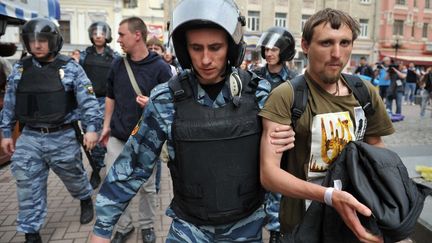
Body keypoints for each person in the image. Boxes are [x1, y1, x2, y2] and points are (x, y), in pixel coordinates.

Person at [90, 0, 294, 242]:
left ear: (231, 47)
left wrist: (277, 226)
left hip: (246, 227)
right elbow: (132, 166)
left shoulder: (260, 95)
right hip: (189, 228)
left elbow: (277, 169)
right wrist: (102, 229)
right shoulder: (166, 99)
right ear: (185, 50)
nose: (206, 59)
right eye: (196, 48)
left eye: (215, 47)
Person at [259, 8, 395, 243]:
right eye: (326, 43)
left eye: (345, 43)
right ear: (305, 45)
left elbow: (377, 148)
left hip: (354, 222)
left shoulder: (364, 93)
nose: (337, 53)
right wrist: (330, 196)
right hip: (301, 227)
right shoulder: (286, 96)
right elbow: (269, 175)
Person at [0, 18, 103, 243]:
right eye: (32, 41)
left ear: (53, 40)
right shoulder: (20, 69)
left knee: (74, 176)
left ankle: (85, 197)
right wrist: (6, 133)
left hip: (62, 136)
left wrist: (92, 129)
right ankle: (31, 232)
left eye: (42, 40)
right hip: (30, 137)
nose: (37, 45)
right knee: (26, 183)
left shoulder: (71, 68)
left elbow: (88, 101)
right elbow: (9, 102)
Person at [97, 17, 172, 243]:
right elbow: (110, 96)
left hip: (146, 140)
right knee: (114, 183)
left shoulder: (160, 67)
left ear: (137, 35)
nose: (118, 39)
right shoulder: (118, 64)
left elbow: (170, 103)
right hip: (118, 138)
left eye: (121, 34)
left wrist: (152, 102)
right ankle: (124, 225)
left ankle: (147, 225)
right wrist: (106, 126)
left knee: (147, 188)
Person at [254, 25, 296, 242]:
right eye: (266, 49)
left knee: (277, 188)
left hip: (279, 141)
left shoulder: (294, 81)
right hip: (254, 140)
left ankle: (276, 231)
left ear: (285, 51)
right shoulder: (253, 77)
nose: (269, 53)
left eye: (274, 49)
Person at [79, 21, 120, 189]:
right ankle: (96, 168)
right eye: (95, 33)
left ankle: (99, 168)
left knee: (103, 135)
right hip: (88, 102)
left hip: (106, 101)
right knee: (89, 136)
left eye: (102, 33)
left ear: (107, 36)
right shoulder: (83, 56)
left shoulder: (114, 56)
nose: (98, 36)